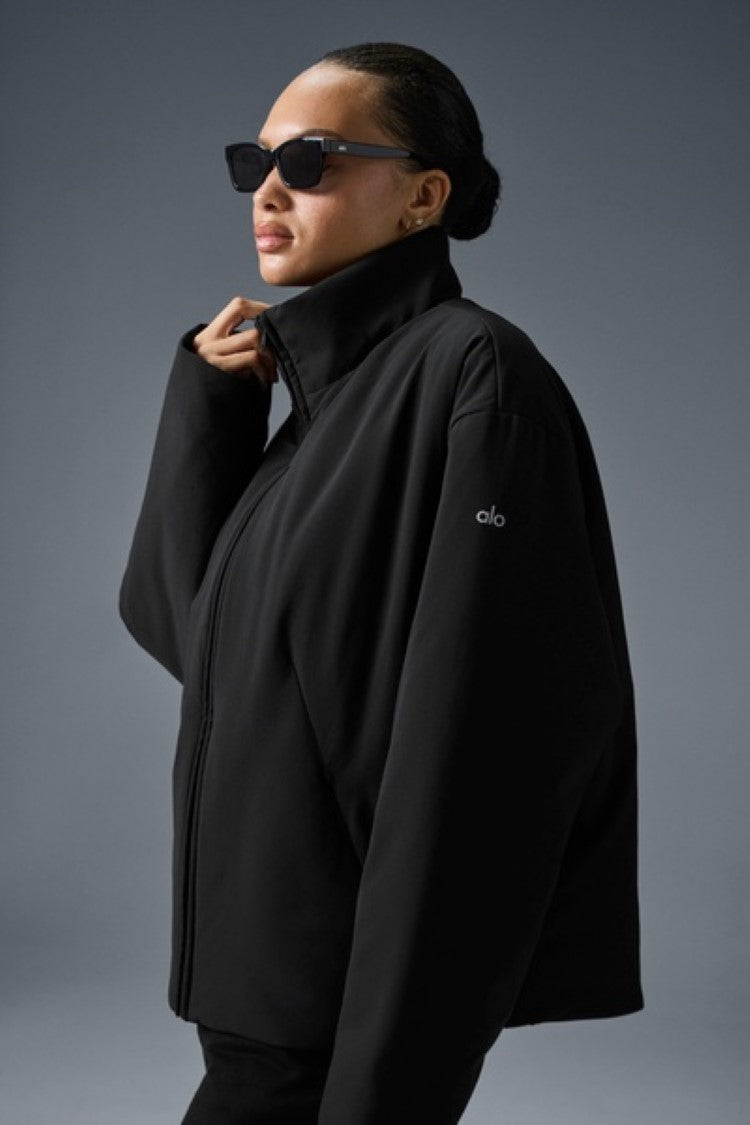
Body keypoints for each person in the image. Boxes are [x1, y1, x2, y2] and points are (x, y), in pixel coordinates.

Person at [119, 41, 644, 1124]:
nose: (268, 190)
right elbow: (196, 639)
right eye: (255, 162)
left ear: (423, 196)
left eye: (309, 160)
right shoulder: (322, 408)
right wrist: (209, 411)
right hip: (262, 1010)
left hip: (349, 1023)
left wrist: (390, 1077)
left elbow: (485, 769)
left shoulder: (475, 378)